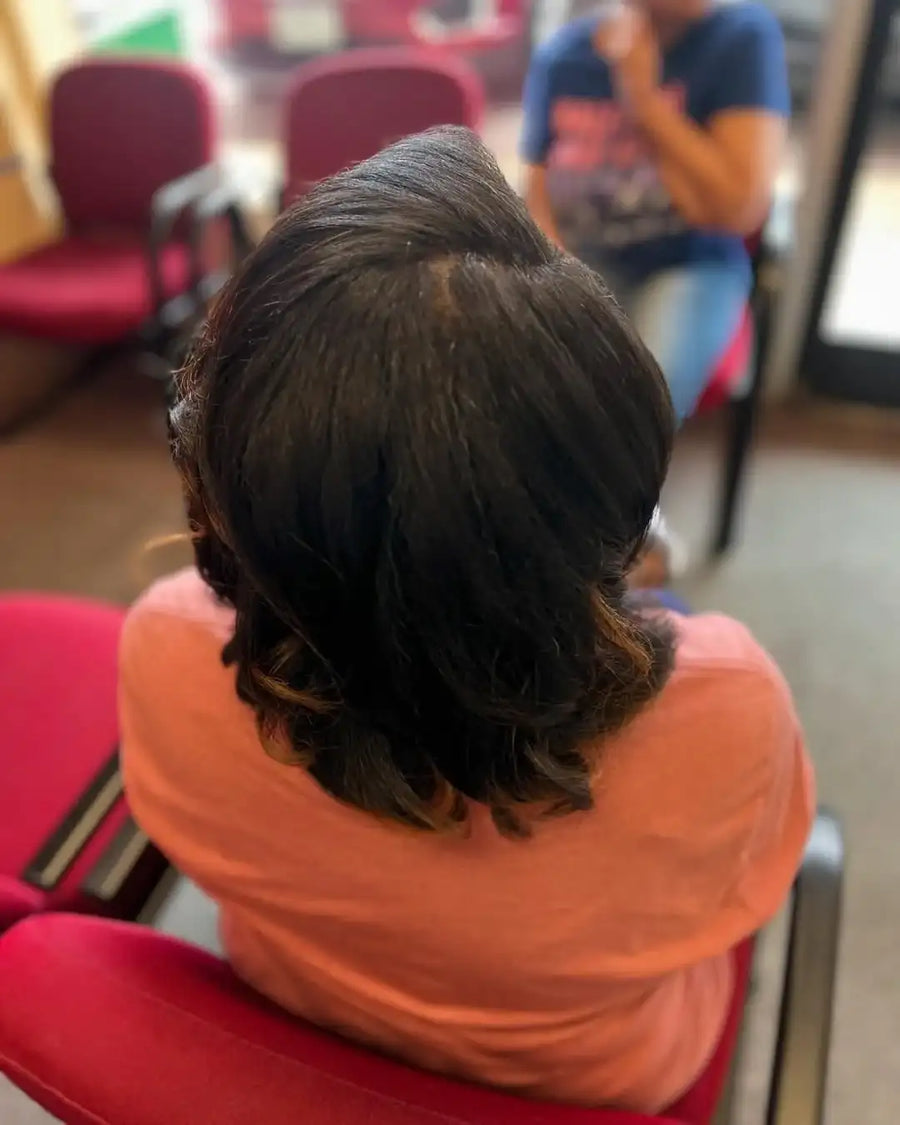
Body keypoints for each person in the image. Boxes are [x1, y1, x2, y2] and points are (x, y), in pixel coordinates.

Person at [121, 128, 813, 1115]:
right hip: (598, 1081)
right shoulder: (731, 706)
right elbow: (751, 880)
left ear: (225, 472)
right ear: (612, 518)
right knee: (671, 623)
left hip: (297, 1004)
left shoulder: (161, 642)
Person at [521, 0, 790, 421]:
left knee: (635, 410)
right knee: (517, 389)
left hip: (690, 264)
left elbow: (739, 207)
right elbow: (537, 191)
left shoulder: (741, 36)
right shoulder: (564, 54)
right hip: (577, 260)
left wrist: (643, 101)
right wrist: (556, 268)